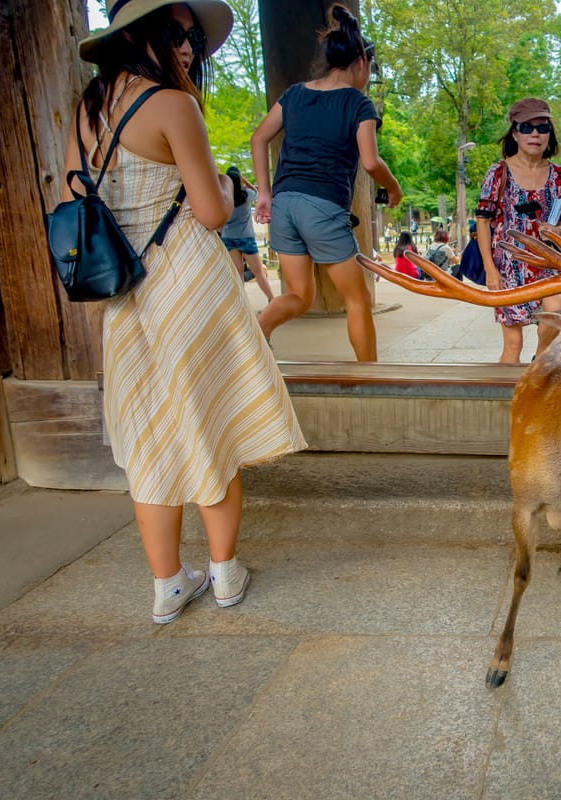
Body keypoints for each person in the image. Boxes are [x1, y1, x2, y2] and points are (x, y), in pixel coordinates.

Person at [69, 0, 307, 624]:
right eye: (180, 35)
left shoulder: (88, 108)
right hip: (187, 284)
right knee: (211, 423)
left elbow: (76, 189)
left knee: (150, 436)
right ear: (144, 35)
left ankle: (168, 584)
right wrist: (231, 186)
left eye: (194, 39)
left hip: (124, 292)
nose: (189, 49)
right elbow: (209, 210)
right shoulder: (173, 105)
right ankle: (226, 573)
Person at [250, 3, 402, 361]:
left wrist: (265, 194)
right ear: (361, 62)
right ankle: (372, 379)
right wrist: (393, 188)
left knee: (298, 295)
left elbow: (259, 138)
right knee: (358, 298)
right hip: (322, 206)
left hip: (284, 204)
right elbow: (370, 161)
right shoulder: (358, 103)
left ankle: (253, 341)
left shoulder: (294, 94)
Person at [474, 97, 561, 364]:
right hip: (509, 265)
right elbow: (482, 221)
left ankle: (538, 366)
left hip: (548, 260)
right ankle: (504, 400)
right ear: (515, 133)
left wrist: (557, 229)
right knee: (513, 343)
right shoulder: (498, 173)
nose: (535, 134)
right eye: (527, 128)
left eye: (542, 128)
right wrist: (490, 270)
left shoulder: (560, 176)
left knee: (554, 319)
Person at [221, 166, 274, 301]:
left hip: (228, 237)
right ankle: (271, 299)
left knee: (238, 274)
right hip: (246, 238)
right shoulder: (247, 194)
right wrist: (243, 179)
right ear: (239, 179)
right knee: (259, 273)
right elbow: (258, 192)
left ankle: (243, 304)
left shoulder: (224, 197)